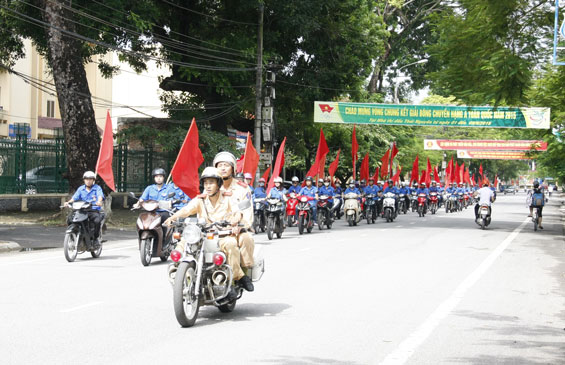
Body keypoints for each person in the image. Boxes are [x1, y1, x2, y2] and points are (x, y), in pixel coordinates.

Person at [164, 167, 253, 294]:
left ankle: (236, 278)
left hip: (221, 235)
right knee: (184, 241)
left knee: (231, 244)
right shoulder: (200, 199)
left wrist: (235, 220)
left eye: (211, 182)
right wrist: (173, 218)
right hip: (202, 234)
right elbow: (186, 210)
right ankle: (178, 270)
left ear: (218, 184)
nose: (208, 186)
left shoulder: (227, 198)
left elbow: (237, 211)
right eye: (206, 183)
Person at [213, 152, 255, 283]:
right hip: (214, 228)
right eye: (220, 165)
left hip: (236, 228)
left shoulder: (242, 188)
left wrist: (242, 225)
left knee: (246, 239)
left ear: (233, 168)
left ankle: (243, 274)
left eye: (226, 165)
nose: (223, 168)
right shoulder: (210, 186)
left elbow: (246, 210)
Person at [65, 171, 104, 244]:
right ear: (84, 180)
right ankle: (74, 235)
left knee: (97, 221)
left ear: (93, 180)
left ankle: (95, 238)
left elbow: (100, 196)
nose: (88, 181)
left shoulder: (97, 188)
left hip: (93, 210)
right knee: (70, 219)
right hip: (82, 210)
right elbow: (74, 198)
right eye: (86, 179)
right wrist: (68, 202)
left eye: (90, 179)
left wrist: (99, 201)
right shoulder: (81, 189)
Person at [134, 168, 174, 235]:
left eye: (160, 176)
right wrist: (137, 204)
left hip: (163, 211)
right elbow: (142, 198)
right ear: (154, 178)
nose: (158, 178)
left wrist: (170, 203)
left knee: (164, 220)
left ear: (163, 177)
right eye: (156, 176)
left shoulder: (168, 188)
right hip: (151, 212)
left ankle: (164, 237)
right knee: (142, 220)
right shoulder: (149, 188)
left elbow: (172, 199)